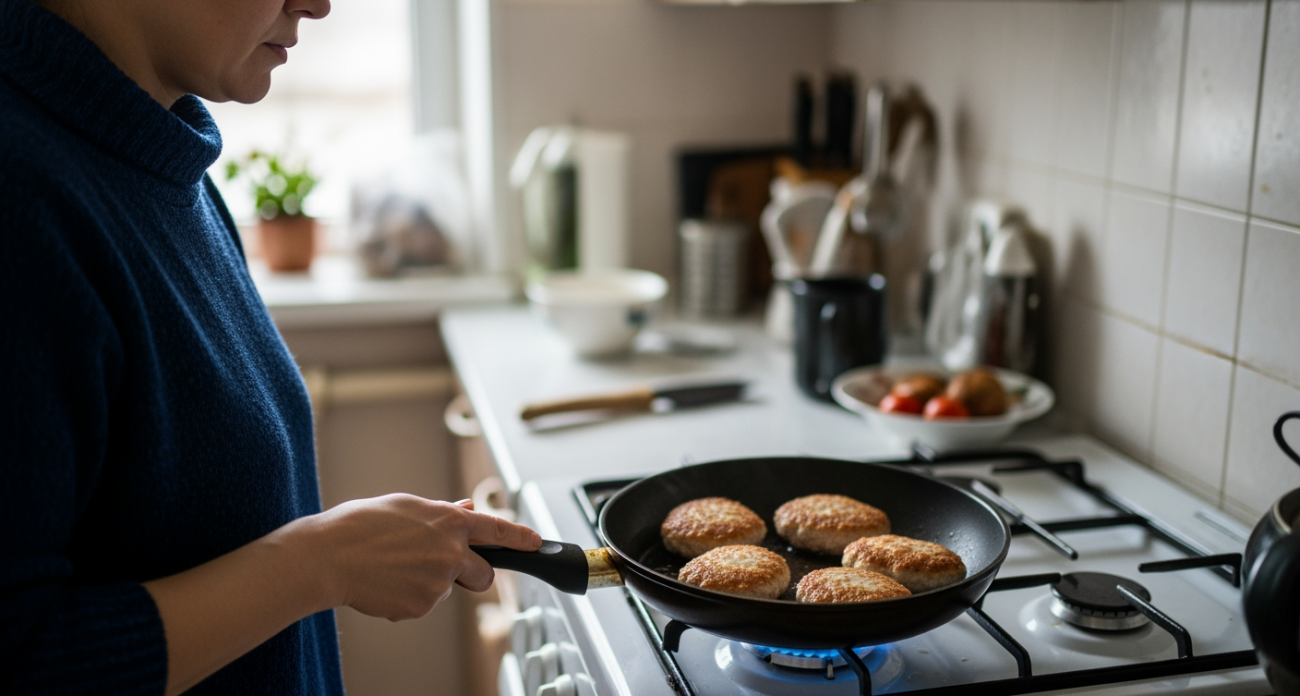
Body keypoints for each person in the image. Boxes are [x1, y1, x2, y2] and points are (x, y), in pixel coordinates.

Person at [0, 0, 543, 694]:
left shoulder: (164, 154)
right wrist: (322, 564)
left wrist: (329, 557)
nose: (319, 3)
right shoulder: (19, 198)